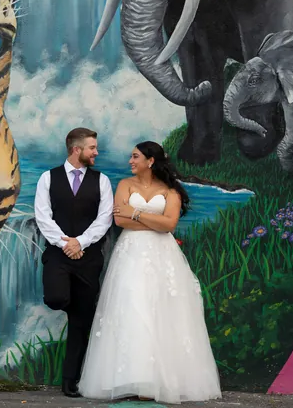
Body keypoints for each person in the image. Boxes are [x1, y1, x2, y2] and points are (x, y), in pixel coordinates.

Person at [78, 141, 222, 404]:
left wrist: (135, 213)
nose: (130, 161)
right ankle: (132, 377)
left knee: (163, 311)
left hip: (162, 256)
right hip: (130, 254)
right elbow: (119, 220)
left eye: (135, 157)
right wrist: (142, 218)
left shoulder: (170, 190)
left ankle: (160, 380)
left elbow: (169, 225)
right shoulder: (124, 185)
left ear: (150, 161)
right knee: (131, 308)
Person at [34, 127, 114, 398]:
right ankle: (69, 303)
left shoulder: (102, 181)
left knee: (81, 321)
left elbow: (104, 219)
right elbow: (42, 216)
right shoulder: (48, 178)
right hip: (58, 255)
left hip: (89, 258)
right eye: (92, 148)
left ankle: (70, 380)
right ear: (76, 149)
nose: (96, 152)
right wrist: (65, 243)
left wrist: (80, 242)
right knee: (56, 298)